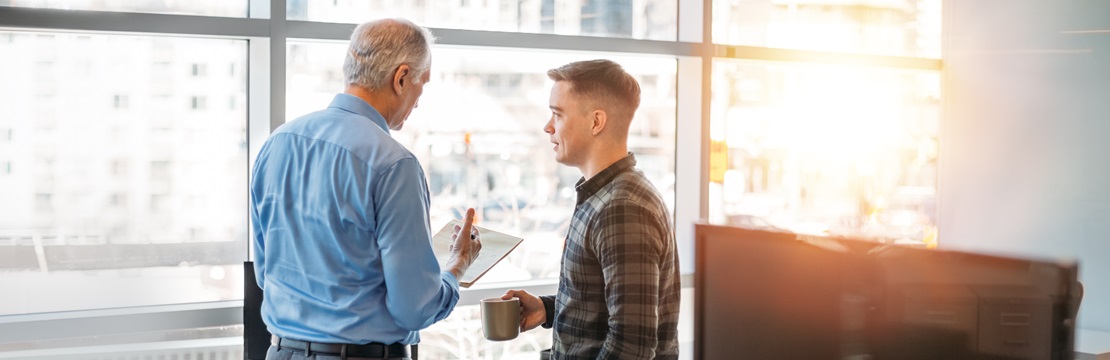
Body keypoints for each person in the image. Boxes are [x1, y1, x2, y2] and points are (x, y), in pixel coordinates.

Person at [250, 18, 481, 360]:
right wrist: (457, 264)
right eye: (422, 83)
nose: (419, 99)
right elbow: (414, 308)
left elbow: (265, 271)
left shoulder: (278, 142)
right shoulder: (394, 164)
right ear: (401, 78)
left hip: (281, 352)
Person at [503, 60, 681, 359]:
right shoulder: (604, 195)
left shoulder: (622, 208)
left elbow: (630, 347)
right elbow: (605, 305)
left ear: (596, 122)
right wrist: (548, 308)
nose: (548, 127)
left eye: (557, 114)